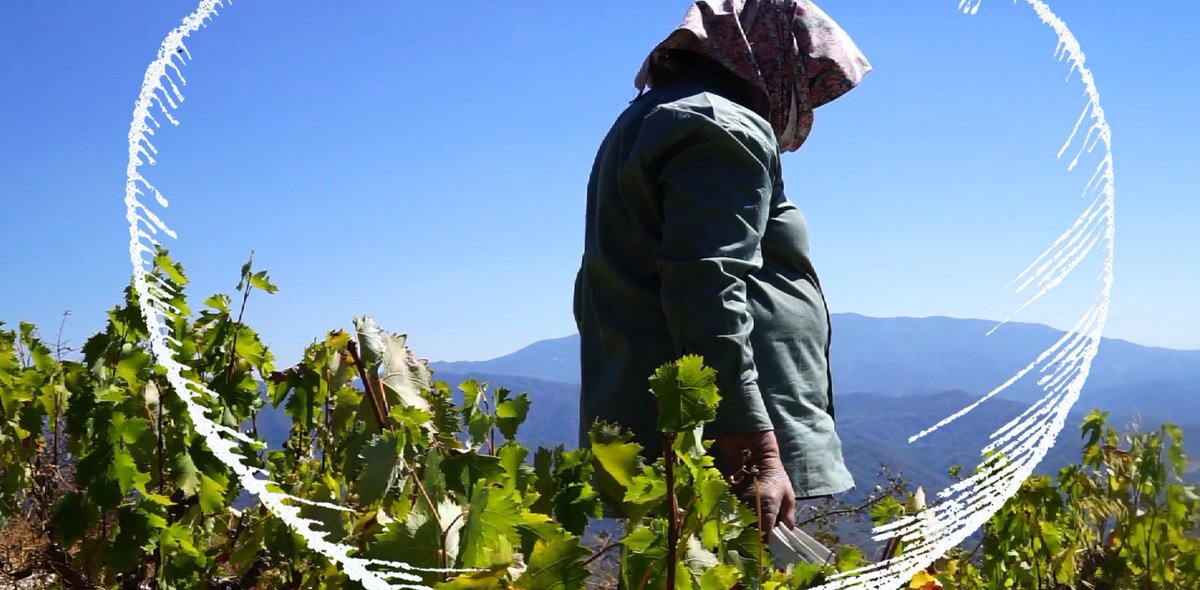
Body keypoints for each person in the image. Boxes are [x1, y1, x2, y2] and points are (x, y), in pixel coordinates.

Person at [573, 0, 871, 535]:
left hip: (671, 420)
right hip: (719, 444)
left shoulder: (656, 117)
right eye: (809, 78)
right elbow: (707, 283)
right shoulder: (720, 125)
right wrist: (755, 448)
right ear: (772, 51)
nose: (806, 102)